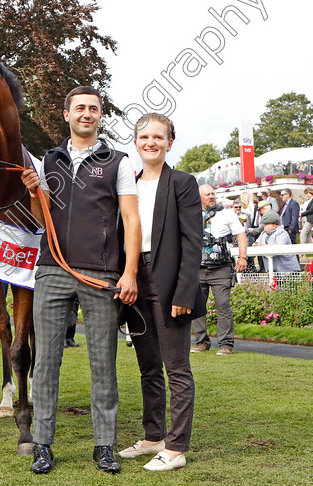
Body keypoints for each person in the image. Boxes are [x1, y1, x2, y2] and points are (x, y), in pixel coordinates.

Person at [20, 86, 140, 475]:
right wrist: (34, 192)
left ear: (99, 116)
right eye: (80, 108)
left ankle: (104, 445)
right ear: (66, 114)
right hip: (52, 269)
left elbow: (131, 219)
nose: (87, 114)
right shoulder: (48, 161)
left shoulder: (118, 161)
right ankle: (42, 445)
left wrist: (130, 271)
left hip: (101, 272)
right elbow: (42, 219)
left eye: (94, 109)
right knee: (46, 362)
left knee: (103, 361)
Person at [117, 114, 205, 471]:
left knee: (177, 369)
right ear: (135, 142)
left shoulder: (183, 182)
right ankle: (154, 436)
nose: (151, 142)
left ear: (170, 142)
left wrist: (184, 292)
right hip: (135, 280)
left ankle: (177, 447)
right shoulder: (128, 185)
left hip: (170, 286)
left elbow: (192, 241)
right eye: (144, 137)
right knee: (148, 367)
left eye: (159, 136)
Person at [190, 185, 247, 356]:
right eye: (207, 194)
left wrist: (242, 256)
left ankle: (226, 344)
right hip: (197, 267)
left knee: (223, 305)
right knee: (197, 306)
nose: (212, 197)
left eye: (213, 193)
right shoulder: (190, 213)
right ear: (199, 196)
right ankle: (201, 342)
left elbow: (241, 234)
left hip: (220, 267)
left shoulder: (227, 213)